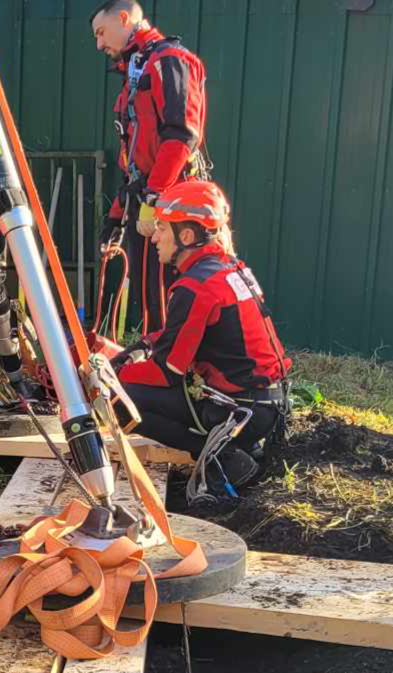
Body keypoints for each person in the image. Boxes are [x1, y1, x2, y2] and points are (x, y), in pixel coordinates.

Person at [112, 181, 289, 498]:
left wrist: (110, 375)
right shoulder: (227, 269)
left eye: (162, 229)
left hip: (238, 413)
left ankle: (222, 457)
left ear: (187, 236)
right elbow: (184, 336)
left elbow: (168, 372)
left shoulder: (195, 286)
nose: (153, 238)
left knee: (118, 400)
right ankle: (248, 452)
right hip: (264, 406)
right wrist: (141, 347)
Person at [90, 0, 208, 333]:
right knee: (149, 300)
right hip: (146, 200)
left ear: (125, 18)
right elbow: (136, 159)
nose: (99, 44)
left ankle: (174, 374)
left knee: (169, 298)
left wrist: (155, 199)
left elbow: (181, 136)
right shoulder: (137, 70)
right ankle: (154, 364)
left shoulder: (169, 61)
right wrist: (116, 215)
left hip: (173, 205)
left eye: (101, 32)